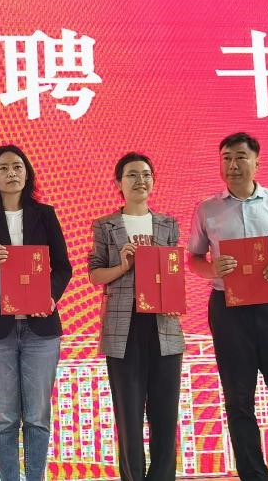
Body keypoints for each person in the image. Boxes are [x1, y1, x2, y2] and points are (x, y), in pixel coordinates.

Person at [187, 132, 268, 481]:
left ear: (257, 162)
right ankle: (254, 475)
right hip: (228, 310)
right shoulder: (207, 208)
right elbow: (193, 258)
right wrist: (213, 269)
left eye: (240, 157)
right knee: (238, 399)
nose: (233, 164)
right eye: (226, 157)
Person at [0, 145, 72, 481]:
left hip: (41, 329)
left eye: (18, 167)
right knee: (5, 418)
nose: (11, 173)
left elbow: (63, 267)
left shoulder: (45, 214)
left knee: (37, 416)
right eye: (4, 168)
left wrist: (50, 296)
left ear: (27, 173)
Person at [89, 152, 184, 481]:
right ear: (118, 183)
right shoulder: (104, 225)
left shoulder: (168, 224)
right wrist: (123, 265)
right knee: (128, 417)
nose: (140, 180)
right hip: (123, 330)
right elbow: (95, 275)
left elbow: (173, 271)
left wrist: (172, 296)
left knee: (165, 417)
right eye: (131, 174)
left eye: (146, 174)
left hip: (164, 327)